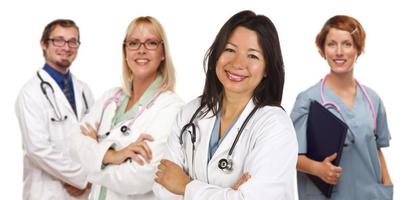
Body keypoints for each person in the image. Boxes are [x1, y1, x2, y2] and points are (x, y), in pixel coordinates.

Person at [153, 10, 298, 199]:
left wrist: (186, 186)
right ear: (216, 55)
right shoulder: (190, 113)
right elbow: (161, 186)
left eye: (252, 56)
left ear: (267, 69)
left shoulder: (275, 126)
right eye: (230, 49)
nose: (238, 63)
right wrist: (228, 194)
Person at [70, 16, 183, 200]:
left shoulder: (171, 108)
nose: (141, 50)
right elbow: (73, 144)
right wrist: (112, 156)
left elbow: (140, 177)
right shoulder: (110, 98)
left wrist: (92, 162)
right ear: (125, 51)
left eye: (151, 43)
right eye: (134, 43)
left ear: (163, 53)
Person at [290, 15, 393, 199]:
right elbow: (290, 156)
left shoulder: (372, 99)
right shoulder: (308, 100)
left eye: (347, 44)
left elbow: (377, 149)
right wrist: (317, 169)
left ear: (358, 49)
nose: (339, 52)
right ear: (322, 50)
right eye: (331, 44)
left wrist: (387, 187)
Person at [15, 19, 94, 199]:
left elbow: (95, 139)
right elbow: (38, 148)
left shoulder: (84, 90)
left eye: (72, 41)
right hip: (47, 193)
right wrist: (83, 178)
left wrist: (92, 180)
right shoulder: (30, 93)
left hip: (84, 194)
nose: (66, 47)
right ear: (44, 44)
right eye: (58, 40)